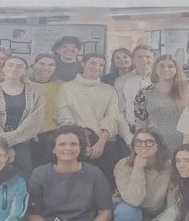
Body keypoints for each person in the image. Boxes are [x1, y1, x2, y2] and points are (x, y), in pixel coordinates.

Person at [56, 53, 130, 185]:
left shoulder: (109, 90)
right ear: (83, 64)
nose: (97, 67)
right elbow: (64, 117)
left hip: (105, 143)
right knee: (77, 184)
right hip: (76, 143)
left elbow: (112, 117)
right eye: (93, 63)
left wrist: (100, 144)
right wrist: (81, 142)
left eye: (101, 65)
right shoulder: (67, 87)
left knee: (104, 184)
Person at [0, 56, 44, 179]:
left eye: (19, 66)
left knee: (21, 179)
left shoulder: (35, 92)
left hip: (22, 144)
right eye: (10, 65)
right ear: (4, 68)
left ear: (25, 71)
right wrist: (0, 142)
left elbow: (35, 120)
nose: (14, 68)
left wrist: (12, 139)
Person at [135, 55, 189, 153]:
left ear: (176, 69)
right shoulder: (144, 93)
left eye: (170, 66)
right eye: (161, 66)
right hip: (156, 145)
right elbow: (140, 123)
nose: (166, 69)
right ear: (155, 68)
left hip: (185, 144)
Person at [27, 52, 63, 166]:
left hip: (52, 134)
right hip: (26, 135)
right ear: (34, 65)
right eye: (42, 64)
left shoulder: (62, 86)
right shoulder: (24, 84)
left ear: (55, 68)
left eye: (51, 65)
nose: (46, 67)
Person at [115, 44, 155, 129]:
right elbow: (119, 112)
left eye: (148, 57)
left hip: (157, 130)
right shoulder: (121, 81)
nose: (144, 60)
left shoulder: (162, 80)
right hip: (130, 129)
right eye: (140, 57)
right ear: (133, 60)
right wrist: (127, 135)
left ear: (154, 59)